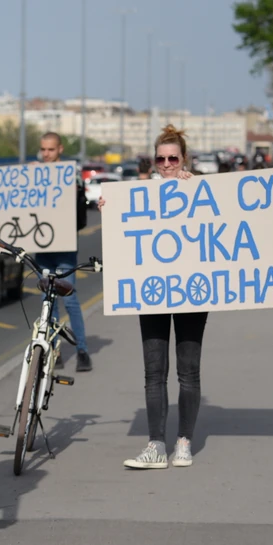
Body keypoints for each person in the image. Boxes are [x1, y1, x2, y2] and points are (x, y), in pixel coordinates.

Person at [98, 124, 204, 469]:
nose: (167, 163)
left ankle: (184, 441)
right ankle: (156, 444)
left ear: (184, 158)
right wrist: (110, 212)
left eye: (173, 157)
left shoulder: (203, 191)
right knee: (153, 372)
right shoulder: (140, 195)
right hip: (153, 292)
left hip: (191, 291)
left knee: (188, 372)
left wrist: (195, 189)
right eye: (161, 158)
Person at [34, 132, 92, 371]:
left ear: (60, 149)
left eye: (50, 150)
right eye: (43, 150)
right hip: (43, 249)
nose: (46, 154)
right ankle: (54, 350)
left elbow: (77, 188)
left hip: (65, 246)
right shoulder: (35, 172)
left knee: (70, 300)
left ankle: (82, 351)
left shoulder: (71, 172)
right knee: (49, 300)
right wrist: (30, 174)